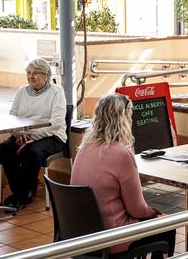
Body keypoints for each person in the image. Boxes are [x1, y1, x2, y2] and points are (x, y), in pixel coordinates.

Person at [71, 94, 175, 258]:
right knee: (168, 226)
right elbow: (137, 210)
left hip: (82, 235)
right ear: (124, 119)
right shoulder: (121, 154)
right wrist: (153, 213)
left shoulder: (84, 148)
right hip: (112, 238)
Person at [0, 59, 66, 210]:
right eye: (28, 73)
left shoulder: (56, 91)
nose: (31, 76)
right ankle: (20, 192)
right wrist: (19, 134)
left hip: (51, 135)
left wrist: (32, 136)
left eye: (35, 73)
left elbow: (57, 123)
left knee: (30, 152)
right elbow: (12, 117)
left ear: (46, 75)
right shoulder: (22, 91)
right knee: (4, 148)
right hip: (23, 134)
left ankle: (26, 194)